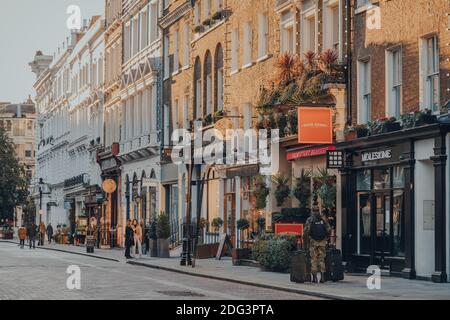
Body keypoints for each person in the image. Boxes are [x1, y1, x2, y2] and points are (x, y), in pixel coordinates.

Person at [303, 204, 331, 284]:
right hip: (322, 241)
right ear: (318, 210)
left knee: (313, 259)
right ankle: (322, 277)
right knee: (321, 259)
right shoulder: (323, 219)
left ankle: (314, 278)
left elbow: (306, 232)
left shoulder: (310, 219)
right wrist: (326, 238)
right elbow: (329, 229)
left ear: (312, 211)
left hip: (313, 241)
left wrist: (306, 241)